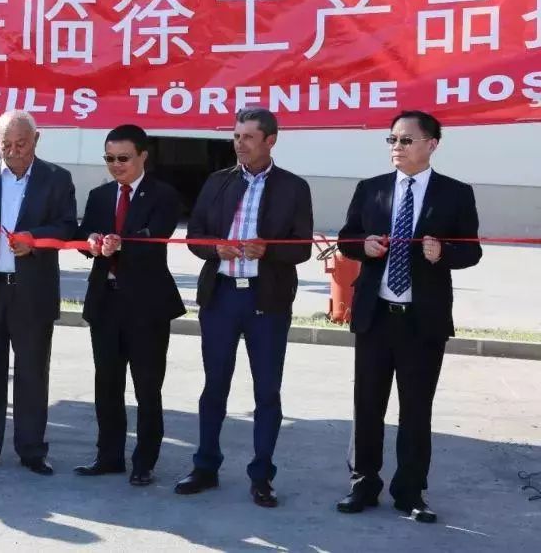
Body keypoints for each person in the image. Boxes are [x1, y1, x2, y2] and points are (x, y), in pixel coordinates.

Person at [334, 111, 481, 524]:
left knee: (416, 410)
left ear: (432, 144)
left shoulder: (455, 193)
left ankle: (411, 492)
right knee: (368, 405)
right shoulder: (371, 189)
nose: (396, 147)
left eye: (405, 140)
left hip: (422, 320)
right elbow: (346, 239)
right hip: (376, 316)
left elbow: (471, 250)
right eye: (392, 140)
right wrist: (363, 246)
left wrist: (444, 253)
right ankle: (363, 483)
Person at [174, 107, 313, 507]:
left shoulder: (293, 187)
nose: (239, 144)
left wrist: (269, 251)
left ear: (270, 140)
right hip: (221, 297)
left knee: (266, 391)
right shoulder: (218, 181)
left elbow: (302, 247)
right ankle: (205, 467)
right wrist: (214, 249)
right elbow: (195, 235)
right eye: (236, 136)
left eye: (248, 137)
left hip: (266, 299)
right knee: (214, 386)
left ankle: (261, 476)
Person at [0, 110, 77, 476]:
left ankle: (32, 450)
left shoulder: (56, 178)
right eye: (6, 145)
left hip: (31, 290)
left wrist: (35, 240)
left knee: (32, 373)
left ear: (36, 140)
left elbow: (67, 226)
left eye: (21, 144)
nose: (13, 151)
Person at [74, 124, 185, 486]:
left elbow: (158, 234)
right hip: (105, 300)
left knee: (147, 386)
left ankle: (144, 462)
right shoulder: (100, 195)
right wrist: (91, 240)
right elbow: (84, 236)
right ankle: (108, 456)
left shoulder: (163, 194)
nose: (116, 165)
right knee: (106, 383)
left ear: (142, 156)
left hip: (147, 305)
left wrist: (122, 243)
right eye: (109, 158)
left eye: (123, 158)